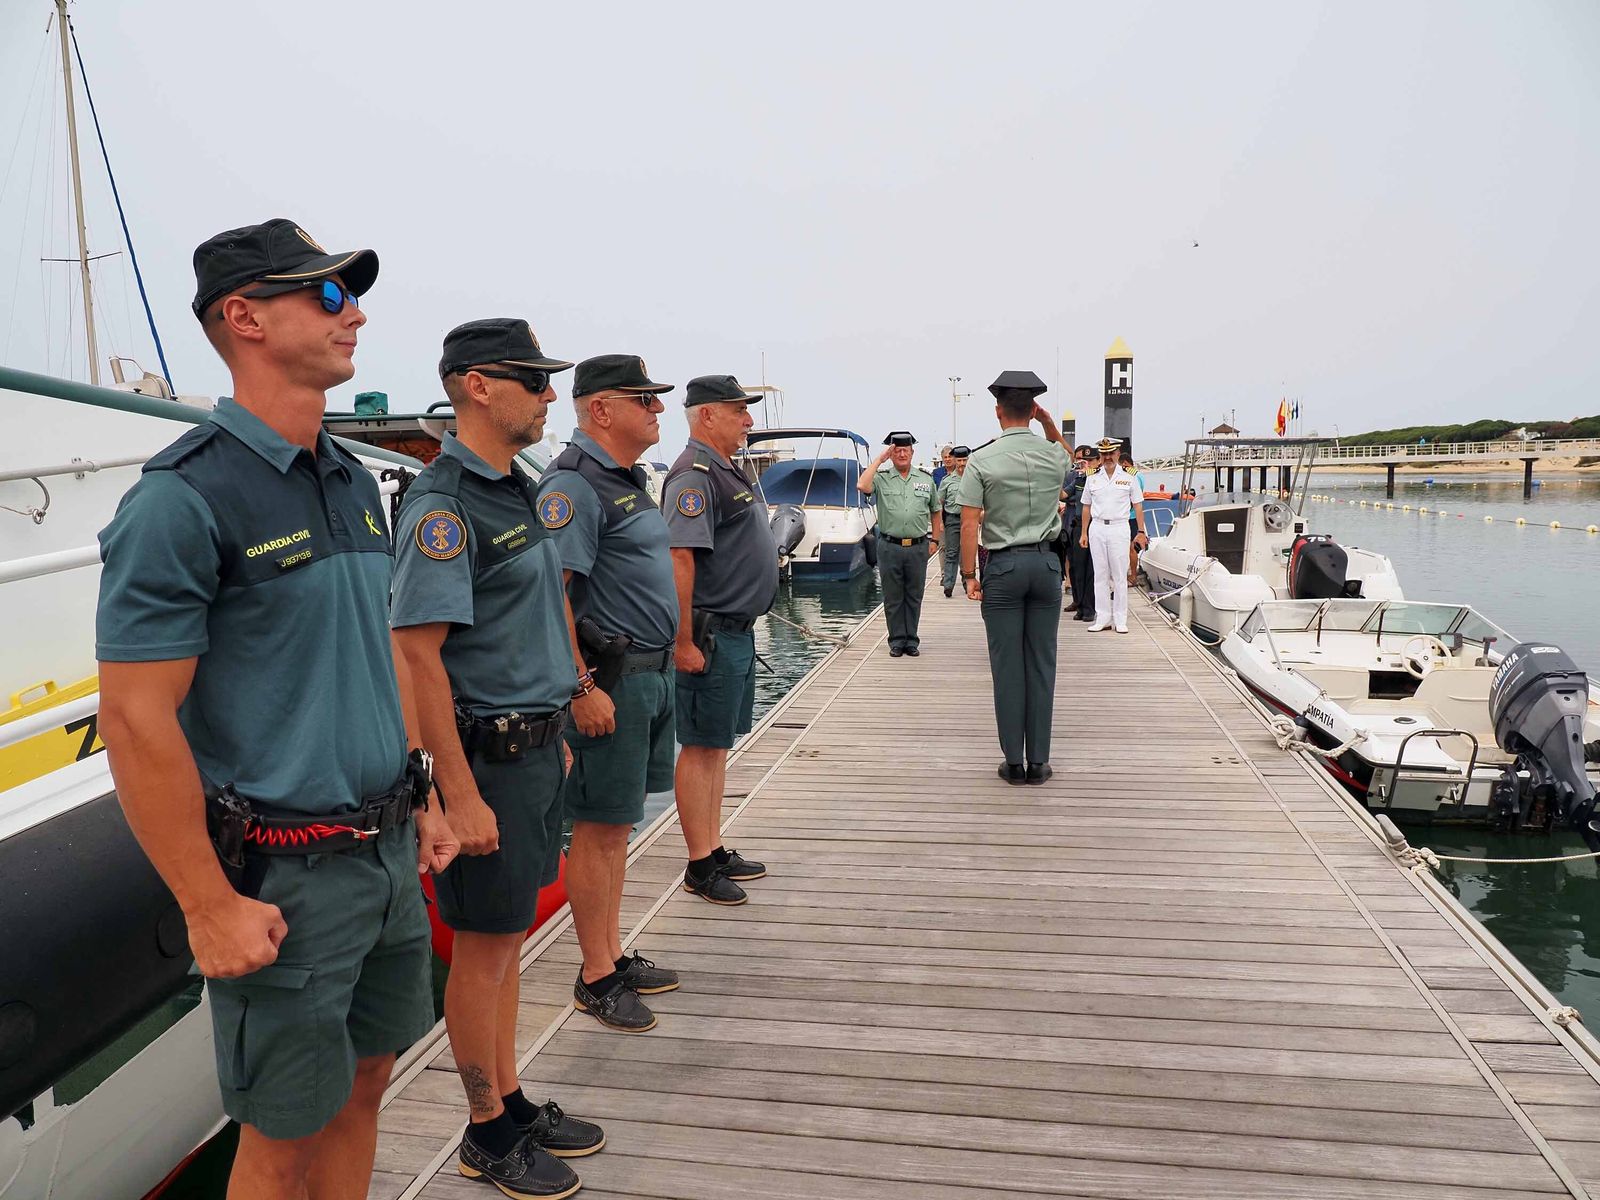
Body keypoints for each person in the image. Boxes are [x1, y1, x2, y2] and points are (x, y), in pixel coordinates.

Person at [97, 218, 458, 1200]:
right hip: (288, 876)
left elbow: (375, 655)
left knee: (368, 1083)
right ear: (244, 316)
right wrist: (207, 907)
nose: (357, 313)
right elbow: (135, 717)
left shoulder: (352, 478)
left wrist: (422, 794)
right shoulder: (183, 499)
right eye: (330, 295)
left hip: (385, 856)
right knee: (281, 1137)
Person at [391, 318, 601, 1198]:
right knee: (482, 949)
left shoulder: (512, 487)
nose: (551, 394)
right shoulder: (445, 505)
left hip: (530, 751)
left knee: (509, 940)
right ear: (477, 385)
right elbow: (415, 655)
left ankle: (509, 1098)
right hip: (485, 761)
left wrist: (557, 721)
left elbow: (533, 615)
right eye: (535, 379)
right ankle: (484, 1130)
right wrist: (456, 794)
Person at [536, 354, 681, 1034]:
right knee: (596, 831)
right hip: (609, 685)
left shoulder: (624, 480)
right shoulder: (574, 485)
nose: (657, 409)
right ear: (600, 409)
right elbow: (552, 595)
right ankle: (595, 976)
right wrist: (581, 685)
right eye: (644, 398)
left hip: (648, 678)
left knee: (617, 826)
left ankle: (612, 954)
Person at [661, 375, 778, 905]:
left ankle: (712, 846)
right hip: (709, 636)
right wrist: (682, 641)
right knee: (701, 747)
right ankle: (699, 864)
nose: (749, 420)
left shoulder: (729, 469)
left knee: (717, 748)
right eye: (739, 411)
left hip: (737, 631)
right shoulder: (693, 474)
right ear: (707, 416)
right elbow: (680, 558)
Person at [957, 371, 1069, 785]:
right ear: (1033, 410)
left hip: (1002, 567)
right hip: (1045, 566)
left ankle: (1014, 762)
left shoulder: (983, 460)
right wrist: (1048, 424)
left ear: (998, 411)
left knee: (1007, 667)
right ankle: (1039, 761)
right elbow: (1069, 458)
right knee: (1042, 664)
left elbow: (969, 526)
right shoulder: (1051, 455)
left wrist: (969, 575)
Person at [858, 432, 941, 656]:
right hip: (889, 546)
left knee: (914, 595)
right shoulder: (881, 478)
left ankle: (911, 640)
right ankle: (896, 640)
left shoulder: (925, 479)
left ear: (912, 453)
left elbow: (935, 510)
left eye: (906, 450)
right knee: (893, 596)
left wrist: (935, 539)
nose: (902, 454)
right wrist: (879, 460)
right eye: (897, 450)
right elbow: (862, 485)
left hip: (917, 546)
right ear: (891, 454)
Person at [1080, 437, 1147, 634]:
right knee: (1099, 575)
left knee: (1119, 575)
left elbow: (1138, 505)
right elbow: (1086, 506)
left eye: (1111, 453)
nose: (1108, 457)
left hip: (1119, 527)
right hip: (1097, 527)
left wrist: (1141, 531)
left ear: (1118, 454)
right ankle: (1102, 617)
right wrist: (1084, 532)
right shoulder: (1092, 476)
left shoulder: (1129, 476)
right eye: (1104, 454)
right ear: (1100, 456)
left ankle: (1120, 618)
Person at [1063, 446, 1094, 618]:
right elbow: (1063, 494)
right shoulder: (1075, 478)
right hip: (1073, 523)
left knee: (1091, 569)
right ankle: (1079, 602)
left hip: (1093, 525)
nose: (1082, 463)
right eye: (1079, 459)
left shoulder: (1097, 479)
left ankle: (1089, 608)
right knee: (1076, 566)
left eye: (1086, 460)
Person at [936, 444, 970, 597]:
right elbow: (939, 503)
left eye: (965, 460)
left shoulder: (974, 477)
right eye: (960, 460)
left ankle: (967, 582)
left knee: (968, 552)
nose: (962, 464)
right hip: (953, 519)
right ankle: (948, 585)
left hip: (970, 519)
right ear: (955, 461)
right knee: (951, 552)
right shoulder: (947, 481)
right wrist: (941, 523)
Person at [1121, 451, 1148, 586]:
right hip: (1132, 516)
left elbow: (1133, 498)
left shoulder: (1133, 477)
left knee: (1131, 548)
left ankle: (1132, 575)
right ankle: (1131, 574)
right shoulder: (1140, 475)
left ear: (1125, 464)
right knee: (1130, 547)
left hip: (1130, 516)